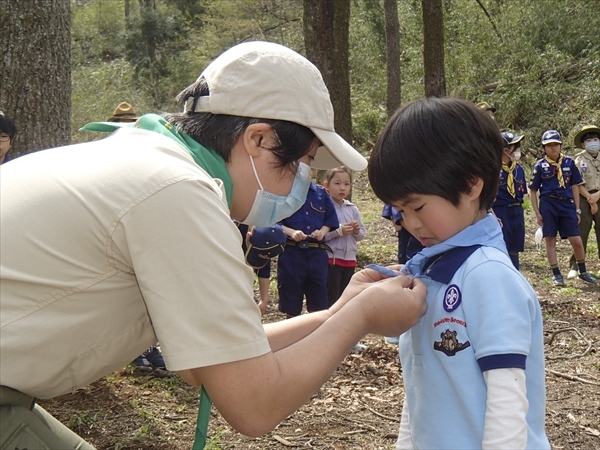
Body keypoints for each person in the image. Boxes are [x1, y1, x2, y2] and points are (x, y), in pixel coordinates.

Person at [0, 41, 427, 448]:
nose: (303, 181)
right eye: (302, 163)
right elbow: (254, 405)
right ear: (258, 139)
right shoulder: (177, 192)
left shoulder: (146, 162)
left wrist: (337, 313)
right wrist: (361, 318)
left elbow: (210, 363)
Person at [369, 97, 550, 450]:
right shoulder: (432, 273)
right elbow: (419, 391)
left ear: (471, 186)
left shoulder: (488, 277)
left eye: (418, 206)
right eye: (401, 210)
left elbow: (508, 402)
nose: (411, 223)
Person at [528, 129, 596, 286]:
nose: (553, 148)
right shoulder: (540, 166)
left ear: (561, 146)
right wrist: (537, 212)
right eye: (549, 145)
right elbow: (532, 190)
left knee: (576, 240)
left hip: (566, 204)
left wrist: (577, 209)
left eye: (556, 145)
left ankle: (583, 270)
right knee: (550, 239)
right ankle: (556, 273)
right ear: (544, 148)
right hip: (548, 203)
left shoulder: (569, 163)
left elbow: (575, 186)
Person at [277, 169, 339, 317]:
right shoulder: (283, 192)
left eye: (310, 167)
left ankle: (316, 336)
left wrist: (322, 232)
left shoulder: (321, 193)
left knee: (319, 303)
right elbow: (274, 221)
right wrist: (291, 232)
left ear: (315, 171)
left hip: (316, 254)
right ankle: (291, 336)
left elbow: (330, 220)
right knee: (291, 301)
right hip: (292, 254)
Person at [322, 167, 367, 352]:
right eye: (337, 183)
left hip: (349, 260)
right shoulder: (325, 207)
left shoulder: (352, 208)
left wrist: (356, 230)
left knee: (348, 298)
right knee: (333, 299)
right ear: (327, 185)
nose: (342, 188)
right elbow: (322, 236)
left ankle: (349, 339)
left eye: (346, 184)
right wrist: (339, 231)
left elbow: (362, 235)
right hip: (332, 260)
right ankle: (330, 337)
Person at [568, 125, 600, 279]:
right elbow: (577, 183)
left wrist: (597, 197)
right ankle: (576, 264)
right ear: (583, 144)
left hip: (599, 194)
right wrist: (590, 199)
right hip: (584, 196)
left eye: (595, 139)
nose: (593, 142)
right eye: (589, 140)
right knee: (582, 231)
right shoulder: (579, 159)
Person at [492, 131, 527, 269]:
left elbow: (522, 191)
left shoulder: (518, 169)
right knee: (502, 246)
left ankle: (516, 272)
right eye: (515, 147)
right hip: (500, 211)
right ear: (505, 150)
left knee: (515, 247)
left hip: (517, 210)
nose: (518, 150)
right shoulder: (493, 169)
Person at [238, 223, 285, 315]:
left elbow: (264, 269)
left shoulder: (267, 237)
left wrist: (264, 299)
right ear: (248, 236)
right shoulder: (235, 230)